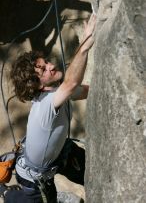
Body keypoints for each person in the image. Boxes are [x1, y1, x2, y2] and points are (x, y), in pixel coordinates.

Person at [5, 13, 96, 203]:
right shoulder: (46, 104)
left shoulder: (55, 94)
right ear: (37, 86)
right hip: (34, 178)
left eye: (45, 62)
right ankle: (7, 194)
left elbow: (83, 90)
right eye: (43, 70)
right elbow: (71, 84)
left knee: (93, 171)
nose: (51, 66)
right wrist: (86, 44)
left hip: (57, 155)